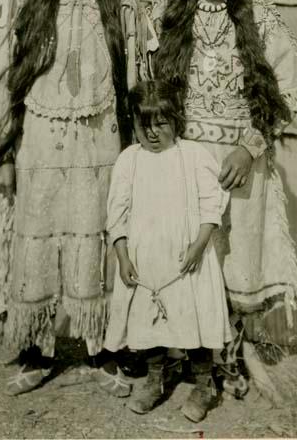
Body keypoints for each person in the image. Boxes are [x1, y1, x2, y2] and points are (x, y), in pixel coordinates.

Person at [0, 0, 156, 396]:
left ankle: (101, 350)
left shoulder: (120, 12)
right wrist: (4, 153)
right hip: (37, 143)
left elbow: (139, 84)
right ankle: (35, 352)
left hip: (100, 143)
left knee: (97, 235)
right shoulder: (22, 5)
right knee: (36, 238)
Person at [152, 0, 297, 391]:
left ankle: (236, 356)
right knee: (189, 255)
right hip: (184, 160)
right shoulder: (169, 20)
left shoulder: (262, 18)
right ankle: (188, 357)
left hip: (244, 162)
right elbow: (149, 90)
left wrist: (250, 146)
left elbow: (293, 90)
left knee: (239, 256)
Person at [104, 79, 231, 422]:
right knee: (150, 320)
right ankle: (155, 379)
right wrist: (123, 255)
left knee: (194, 318)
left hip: (187, 258)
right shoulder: (129, 160)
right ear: (134, 124)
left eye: (161, 123)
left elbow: (210, 207)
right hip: (146, 259)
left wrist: (198, 246)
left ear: (176, 119)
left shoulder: (193, 156)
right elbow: (116, 215)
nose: (154, 133)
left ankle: (204, 383)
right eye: (145, 126)